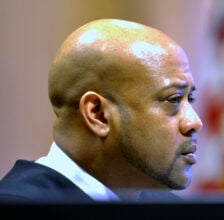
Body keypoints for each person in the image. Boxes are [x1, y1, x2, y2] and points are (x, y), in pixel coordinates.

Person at [0, 18, 203, 203]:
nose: (195, 122)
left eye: (190, 98)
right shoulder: (18, 207)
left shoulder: (173, 209)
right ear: (98, 114)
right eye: (173, 99)